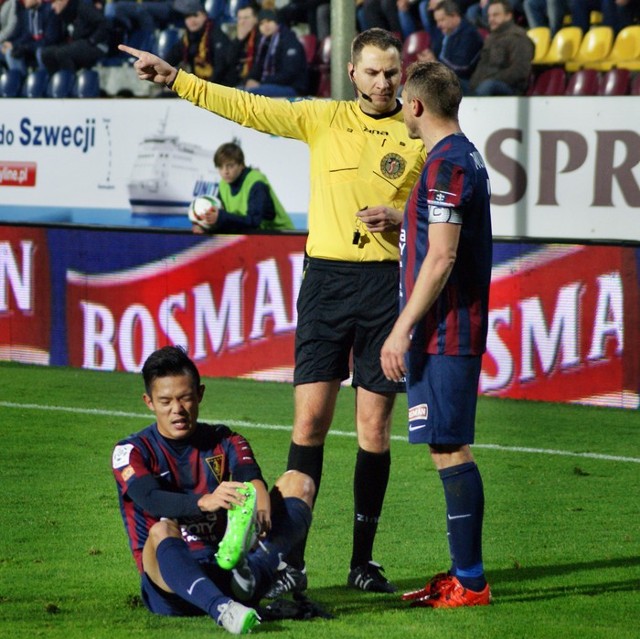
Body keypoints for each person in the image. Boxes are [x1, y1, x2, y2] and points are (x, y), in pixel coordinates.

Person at [118, 27, 426, 596]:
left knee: (373, 429)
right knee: (309, 422)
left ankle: (363, 561)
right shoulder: (323, 118)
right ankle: (290, 560)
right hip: (326, 285)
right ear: (352, 73)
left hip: (386, 287)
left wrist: (402, 220)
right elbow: (248, 106)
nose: (384, 82)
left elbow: (441, 213)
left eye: (392, 72)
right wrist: (177, 79)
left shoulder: (419, 132)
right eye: (374, 72)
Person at [380, 60, 492, 609]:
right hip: (443, 331)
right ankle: (462, 575)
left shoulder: (447, 165)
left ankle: (471, 581)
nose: (400, 107)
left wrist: (401, 330)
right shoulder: (457, 157)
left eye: (403, 100)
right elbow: (440, 232)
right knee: (444, 448)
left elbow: (443, 255)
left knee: (449, 447)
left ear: (417, 106)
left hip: (444, 331)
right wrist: (401, 217)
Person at [112, 345, 315, 635]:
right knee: (161, 530)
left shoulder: (225, 439)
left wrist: (259, 509)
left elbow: (251, 477)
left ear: (200, 394)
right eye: (165, 401)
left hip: (227, 566)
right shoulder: (131, 450)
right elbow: (151, 499)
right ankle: (222, 608)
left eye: (185, 398)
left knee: (299, 482)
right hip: (170, 584)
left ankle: (248, 572)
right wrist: (205, 502)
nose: (177, 410)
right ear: (149, 402)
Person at [192, 141, 294, 233]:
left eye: (230, 166)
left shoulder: (256, 182)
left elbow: (254, 222)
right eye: (220, 167)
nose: (225, 172)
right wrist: (205, 226)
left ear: (241, 165)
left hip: (282, 235)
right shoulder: (223, 184)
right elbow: (223, 218)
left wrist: (220, 217)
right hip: (255, 236)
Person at [469, 0, 534, 96]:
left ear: (508, 16)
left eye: (495, 15)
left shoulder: (518, 37)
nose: (491, 19)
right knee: (452, 85)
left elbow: (520, 70)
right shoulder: (491, 38)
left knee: (488, 86)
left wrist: (491, 78)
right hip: (483, 84)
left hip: (509, 88)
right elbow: (481, 67)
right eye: (489, 16)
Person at [416, 0, 484, 91]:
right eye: (437, 21)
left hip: (463, 81)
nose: (439, 25)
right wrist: (428, 57)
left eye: (442, 20)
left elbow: (462, 68)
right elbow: (437, 56)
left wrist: (435, 63)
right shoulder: (444, 33)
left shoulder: (470, 34)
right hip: (444, 77)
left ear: (454, 15)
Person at [165, 0, 234, 86]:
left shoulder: (216, 35)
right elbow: (170, 59)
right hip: (199, 87)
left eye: (195, 15)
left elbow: (221, 68)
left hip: (219, 87)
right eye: (187, 16)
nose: (192, 20)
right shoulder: (187, 38)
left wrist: (206, 88)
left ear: (204, 16)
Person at [244, 7, 308, 97]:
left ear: (276, 21)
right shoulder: (264, 43)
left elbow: (290, 73)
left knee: (252, 93)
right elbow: (257, 68)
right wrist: (250, 80)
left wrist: (261, 82)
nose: (265, 26)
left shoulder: (289, 40)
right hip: (270, 84)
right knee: (238, 91)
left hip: (291, 87)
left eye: (269, 21)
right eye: (261, 23)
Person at [40, 0, 110, 74]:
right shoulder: (64, 14)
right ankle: (56, 81)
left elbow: (104, 24)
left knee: (63, 53)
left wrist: (92, 40)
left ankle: (70, 81)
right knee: (46, 54)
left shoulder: (82, 7)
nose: (52, 7)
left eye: (54, 2)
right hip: (77, 45)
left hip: (96, 45)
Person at [2, 0, 62, 76]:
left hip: (46, 48)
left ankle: (43, 81)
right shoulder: (25, 13)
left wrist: (24, 47)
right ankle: (19, 84)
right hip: (29, 47)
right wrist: (11, 43)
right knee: (9, 51)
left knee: (40, 52)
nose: (24, 1)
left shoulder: (50, 11)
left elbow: (50, 40)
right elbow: (20, 34)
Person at [228, 1, 260, 88]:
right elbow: (228, 62)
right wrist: (239, 40)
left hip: (254, 82)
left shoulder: (261, 36)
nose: (242, 22)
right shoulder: (239, 36)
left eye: (246, 18)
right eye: (239, 18)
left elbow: (259, 64)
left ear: (256, 19)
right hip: (237, 81)